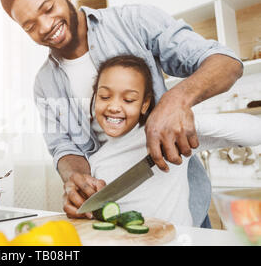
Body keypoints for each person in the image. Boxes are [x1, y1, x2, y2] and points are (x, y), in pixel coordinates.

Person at [0, 0, 243, 227]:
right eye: (30, 26)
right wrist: (74, 178)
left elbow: (225, 62)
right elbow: (62, 147)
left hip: (177, 202)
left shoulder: (134, 21)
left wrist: (175, 100)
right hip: (111, 213)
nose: (44, 26)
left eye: (48, 8)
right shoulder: (44, 84)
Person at [87, 55, 261, 226]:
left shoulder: (171, 136)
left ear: (145, 104)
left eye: (129, 99)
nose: (114, 107)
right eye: (104, 96)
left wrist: (191, 124)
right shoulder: (95, 160)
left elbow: (255, 131)